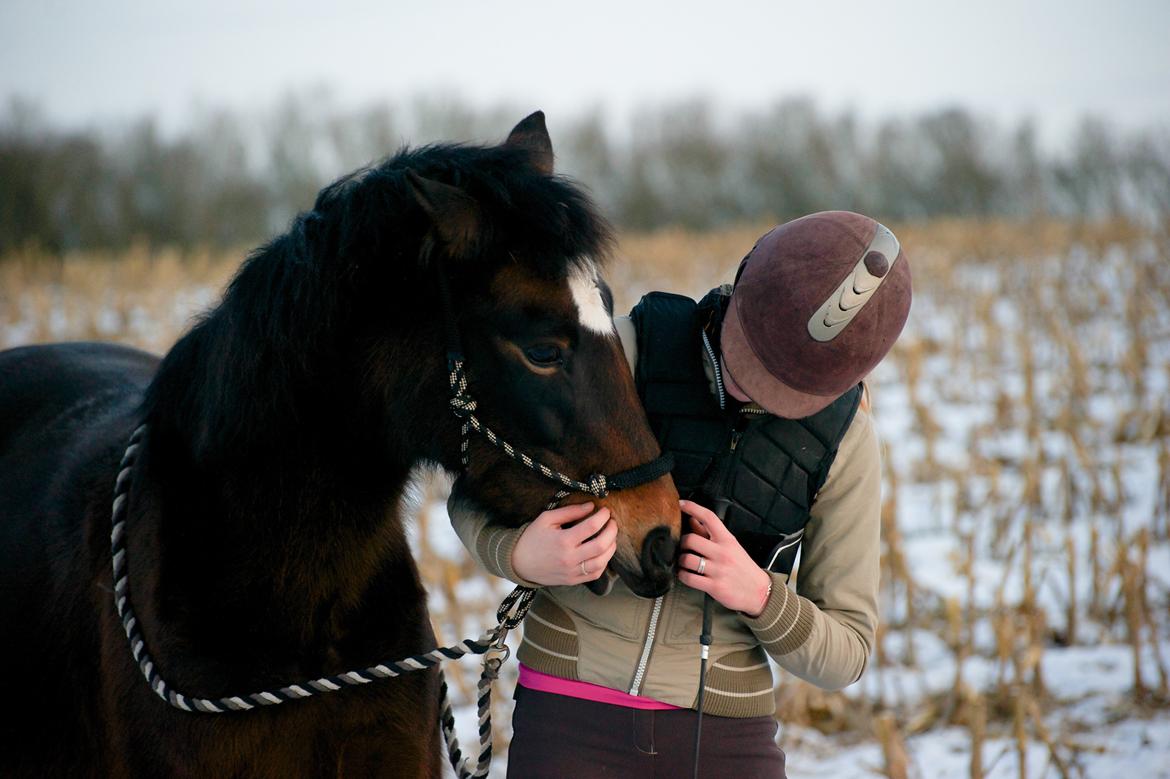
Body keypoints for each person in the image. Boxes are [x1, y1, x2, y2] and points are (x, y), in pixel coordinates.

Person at [448, 211, 912, 778]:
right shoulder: (620, 352)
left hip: (725, 733)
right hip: (569, 713)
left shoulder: (845, 443)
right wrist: (519, 553)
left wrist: (760, 595)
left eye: (780, 389)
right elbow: (476, 485)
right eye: (745, 354)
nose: (747, 387)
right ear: (741, 283)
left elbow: (849, 650)